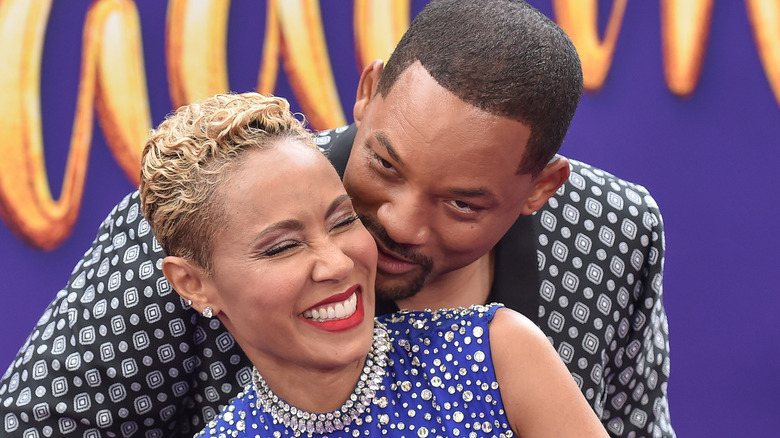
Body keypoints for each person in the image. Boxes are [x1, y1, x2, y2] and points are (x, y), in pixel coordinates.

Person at [0, 1, 673, 437]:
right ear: (368, 92)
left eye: (461, 204)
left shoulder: (608, 235)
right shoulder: (204, 215)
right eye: (384, 166)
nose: (403, 223)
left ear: (540, 188)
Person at [137, 91, 607, 437]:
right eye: (282, 247)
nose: (336, 264)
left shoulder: (494, 353)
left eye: (342, 222)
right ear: (192, 283)